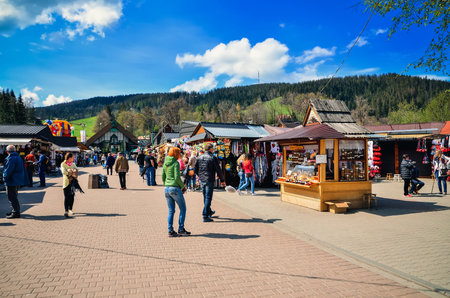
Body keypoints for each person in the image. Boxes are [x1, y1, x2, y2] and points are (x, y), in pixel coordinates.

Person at [162, 147, 190, 237]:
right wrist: (183, 187)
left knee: (171, 210)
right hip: (175, 188)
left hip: (167, 188)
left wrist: (166, 183)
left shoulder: (165, 162)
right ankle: (181, 229)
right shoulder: (175, 163)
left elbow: (163, 175)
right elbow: (177, 177)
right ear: (176, 154)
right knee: (183, 208)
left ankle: (170, 230)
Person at [194, 143, 225, 222]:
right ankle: (205, 215)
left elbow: (195, 169)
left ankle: (208, 211)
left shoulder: (199, 157)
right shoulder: (212, 157)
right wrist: (222, 180)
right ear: (210, 149)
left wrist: (200, 175)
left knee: (205, 196)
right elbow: (218, 169)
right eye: (213, 148)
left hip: (202, 179)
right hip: (210, 179)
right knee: (208, 197)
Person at [3, 145, 27, 218]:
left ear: (7, 151)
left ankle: (15, 212)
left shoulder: (11, 158)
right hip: (17, 180)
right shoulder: (18, 157)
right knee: (14, 196)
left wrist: (4, 178)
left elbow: (9, 170)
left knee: (11, 197)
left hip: (11, 180)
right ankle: (15, 210)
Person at [61, 153, 78, 217]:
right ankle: (66, 210)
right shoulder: (63, 164)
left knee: (72, 196)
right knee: (66, 197)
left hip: (73, 182)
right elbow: (64, 172)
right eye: (73, 157)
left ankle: (70, 209)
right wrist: (71, 171)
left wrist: (70, 171)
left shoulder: (73, 164)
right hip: (66, 183)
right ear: (69, 158)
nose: (73, 159)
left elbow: (76, 170)